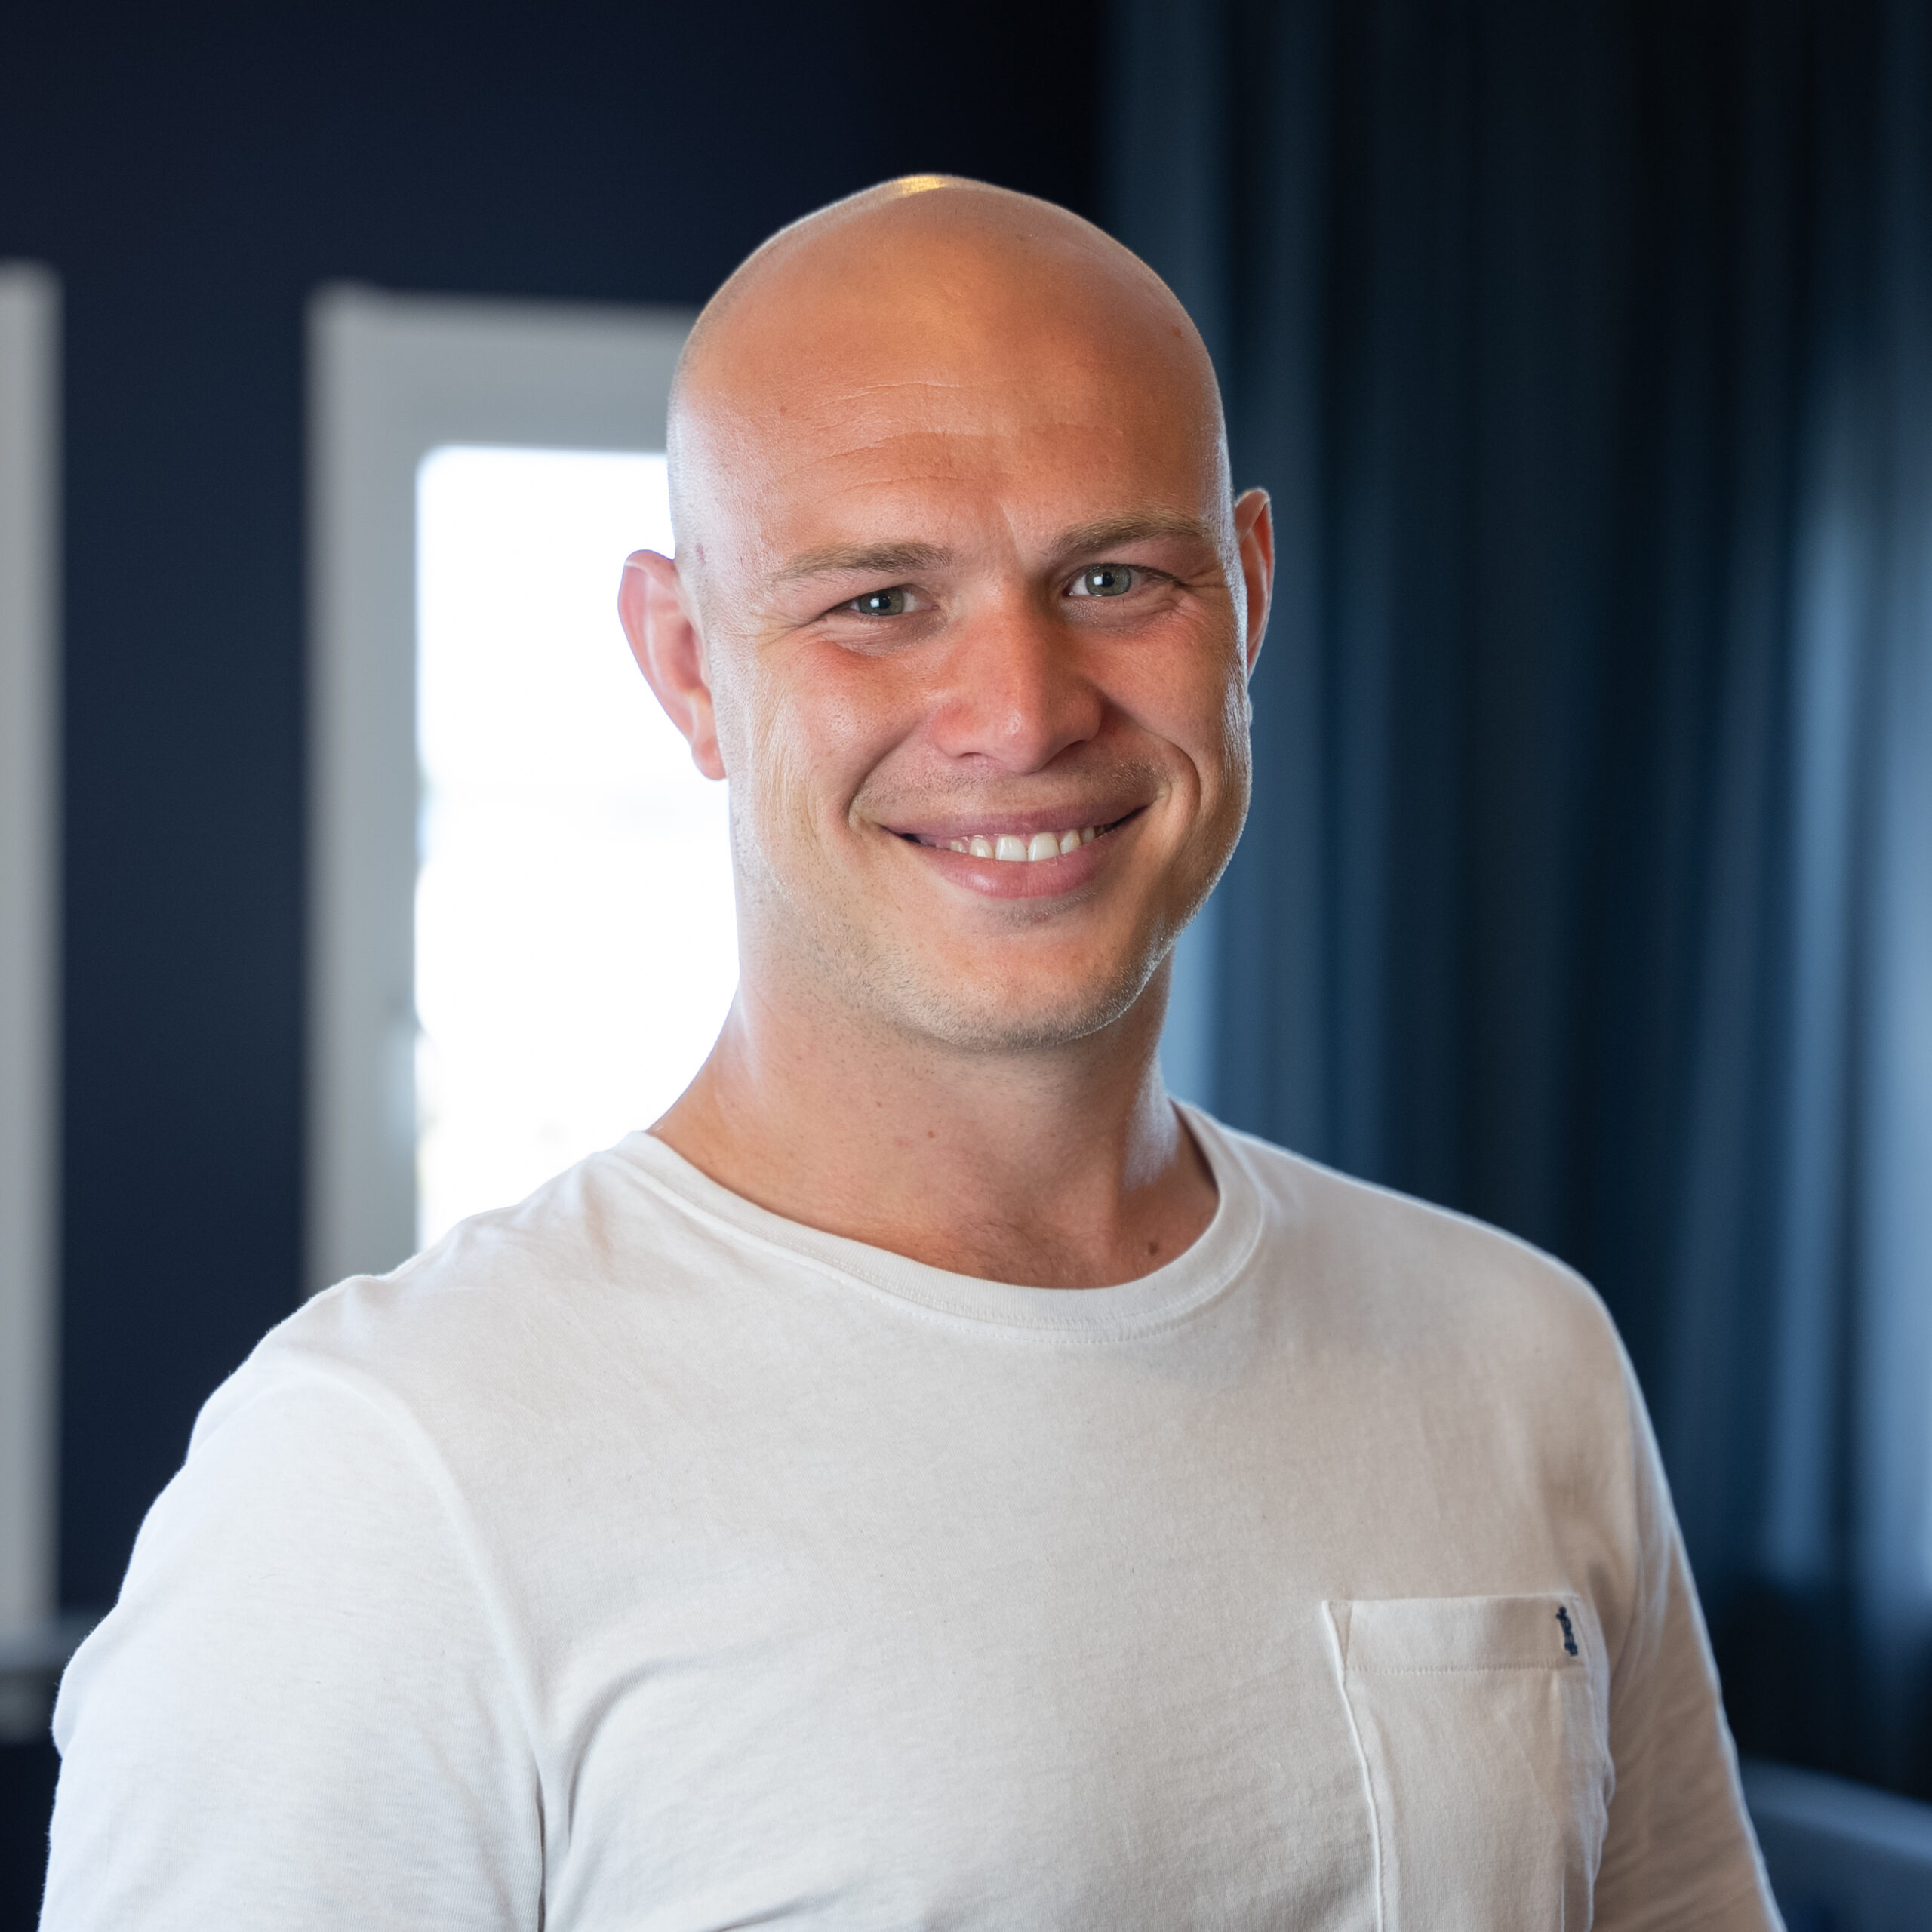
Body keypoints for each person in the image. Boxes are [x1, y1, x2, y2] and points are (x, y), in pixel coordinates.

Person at [42, 177, 1780, 1929]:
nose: (1021, 713)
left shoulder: (1519, 1351)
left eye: (1111, 577)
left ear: (1246, 597)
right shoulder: (381, 1474)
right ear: (686, 666)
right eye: (878, 600)